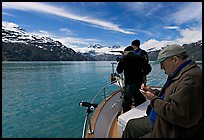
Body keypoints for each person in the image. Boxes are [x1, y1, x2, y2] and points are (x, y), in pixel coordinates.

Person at [122, 44, 202, 138]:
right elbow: (170, 95)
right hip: (159, 118)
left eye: (162, 62)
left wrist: (153, 99)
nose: (161, 67)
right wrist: (153, 92)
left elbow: (178, 114)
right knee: (131, 125)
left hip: (169, 129)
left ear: (175, 60)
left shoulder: (191, 78)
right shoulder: (181, 73)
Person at [116, 46, 151, 113]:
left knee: (127, 102)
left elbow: (119, 71)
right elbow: (148, 69)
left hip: (128, 83)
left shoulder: (123, 59)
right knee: (139, 100)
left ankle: (126, 116)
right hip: (139, 83)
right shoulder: (141, 58)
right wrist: (143, 74)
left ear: (126, 52)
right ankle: (139, 115)